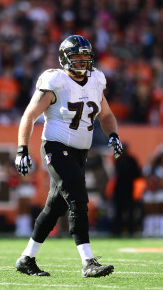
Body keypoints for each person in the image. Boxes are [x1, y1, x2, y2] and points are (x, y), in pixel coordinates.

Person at [14, 35, 123, 278]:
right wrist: (22, 148)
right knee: (77, 196)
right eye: (77, 57)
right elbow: (29, 116)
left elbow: (106, 115)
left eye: (86, 57)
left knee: (55, 207)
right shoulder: (56, 81)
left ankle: (26, 258)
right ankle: (88, 261)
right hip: (56, 146)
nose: (83, 62)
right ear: (65, 59)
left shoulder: (96, 80)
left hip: (79, 152)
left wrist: (113, 134)